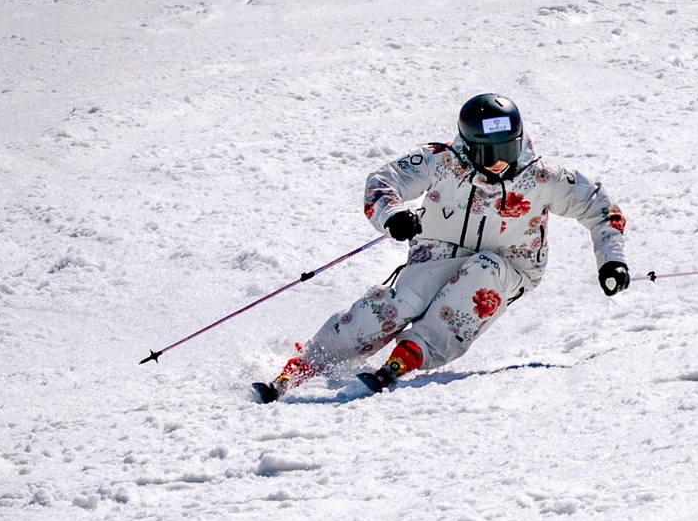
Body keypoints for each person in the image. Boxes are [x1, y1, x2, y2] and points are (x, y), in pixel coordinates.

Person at [253, 93, 630, 402]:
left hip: (510, 265)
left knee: (482, 273)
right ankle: (314, 358)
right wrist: (392, 215)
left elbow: (602, 209)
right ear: (469, 145)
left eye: (507, 149)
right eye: (487, 153)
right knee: (402, 301)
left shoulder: (543, 177)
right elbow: (384, 181)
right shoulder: (441, 161)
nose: (499, 163)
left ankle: (414, 350)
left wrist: (611, 260)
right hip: (437, 252)